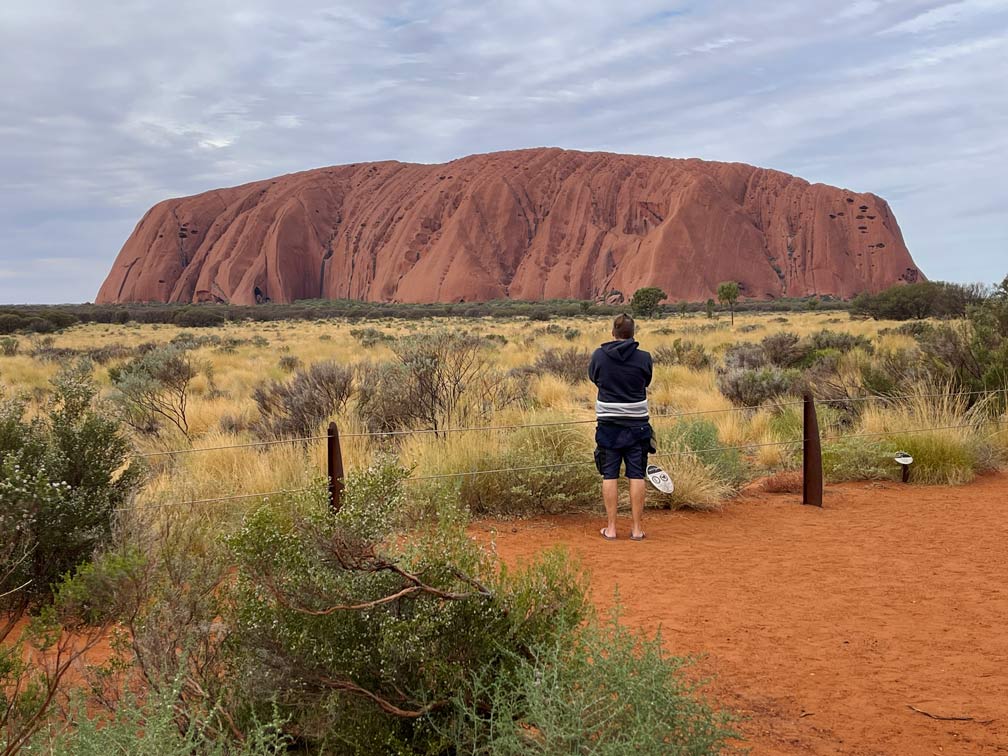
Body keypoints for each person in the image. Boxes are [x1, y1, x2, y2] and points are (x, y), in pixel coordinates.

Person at [588, 313, 653, 541]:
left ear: (613, 333)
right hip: (638, 426)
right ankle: (636, 529)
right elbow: (646, 381)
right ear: (633, 333)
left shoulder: (599, 356)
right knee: (637, 475)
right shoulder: (644, 358)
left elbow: (593, 378)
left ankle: (612, 528)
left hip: (609, 425)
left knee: (609, 474)